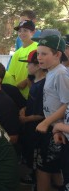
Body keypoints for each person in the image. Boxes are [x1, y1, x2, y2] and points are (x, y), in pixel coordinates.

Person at [35, 35, 69, 191]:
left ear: (57, 55)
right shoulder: (51, 71)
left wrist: (48, 122)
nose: (39, 57)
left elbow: (67, 103)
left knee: (43, 169)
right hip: (53, 128)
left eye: (44, 54)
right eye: (38, 53)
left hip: (56, 127)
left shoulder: (61, 74)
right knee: (53, 169)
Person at [18, 50, 46, 187]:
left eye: (29, 63)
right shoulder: (35, 81)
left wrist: (26, 119)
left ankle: (35, 178)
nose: (27, 67)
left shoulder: (44, 84)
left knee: (36, 153)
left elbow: (44, 113)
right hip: (30, 125)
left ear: (39, 65)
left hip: (38, 127)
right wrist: (24, 109)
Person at [8, 20, 38, 99]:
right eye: (19, 31)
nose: (22, 33)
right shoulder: (17, 53)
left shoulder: (37, 47)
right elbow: (12, 74)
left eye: (25, 30)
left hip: (33, 93)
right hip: (18, 94)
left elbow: (42, 68)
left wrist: (26, 81)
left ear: (33, 32)